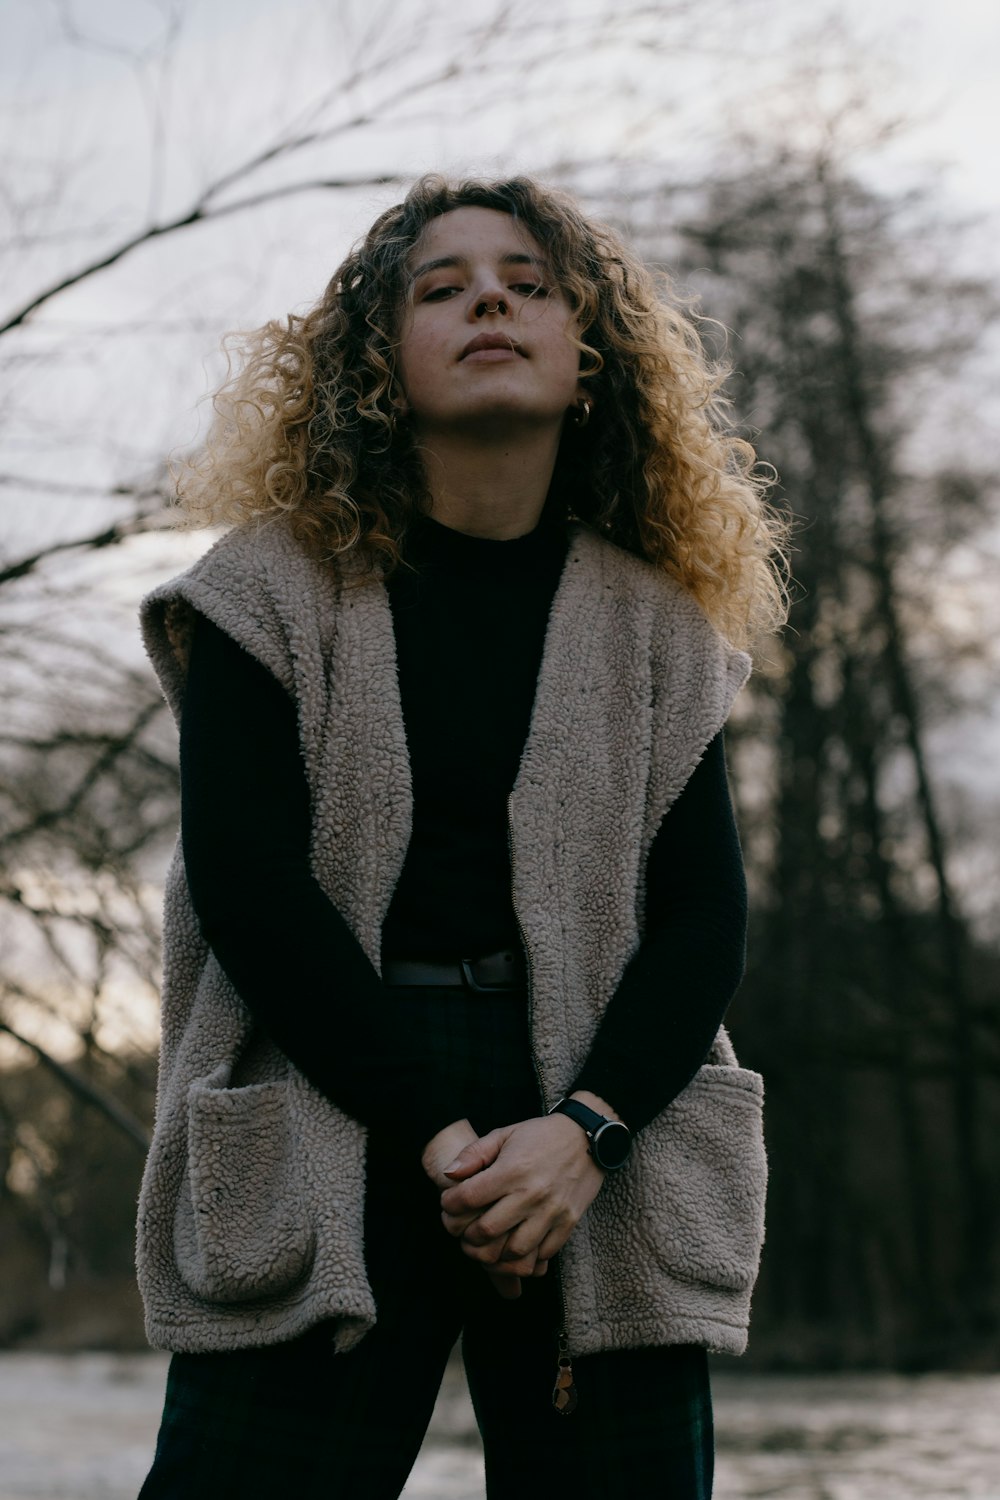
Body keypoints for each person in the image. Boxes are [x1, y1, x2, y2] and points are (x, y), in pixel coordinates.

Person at [135, 174, 787, 1499]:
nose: (488, 296)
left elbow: (706, 923)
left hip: (597, 1123)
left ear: (587, 352)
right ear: (379, 362)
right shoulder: (262, 591)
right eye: (441, 287)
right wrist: (438, 1136)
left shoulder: (662, 623)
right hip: (337, 1088)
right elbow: (252, 895)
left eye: (527, 283)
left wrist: (584, 1133)